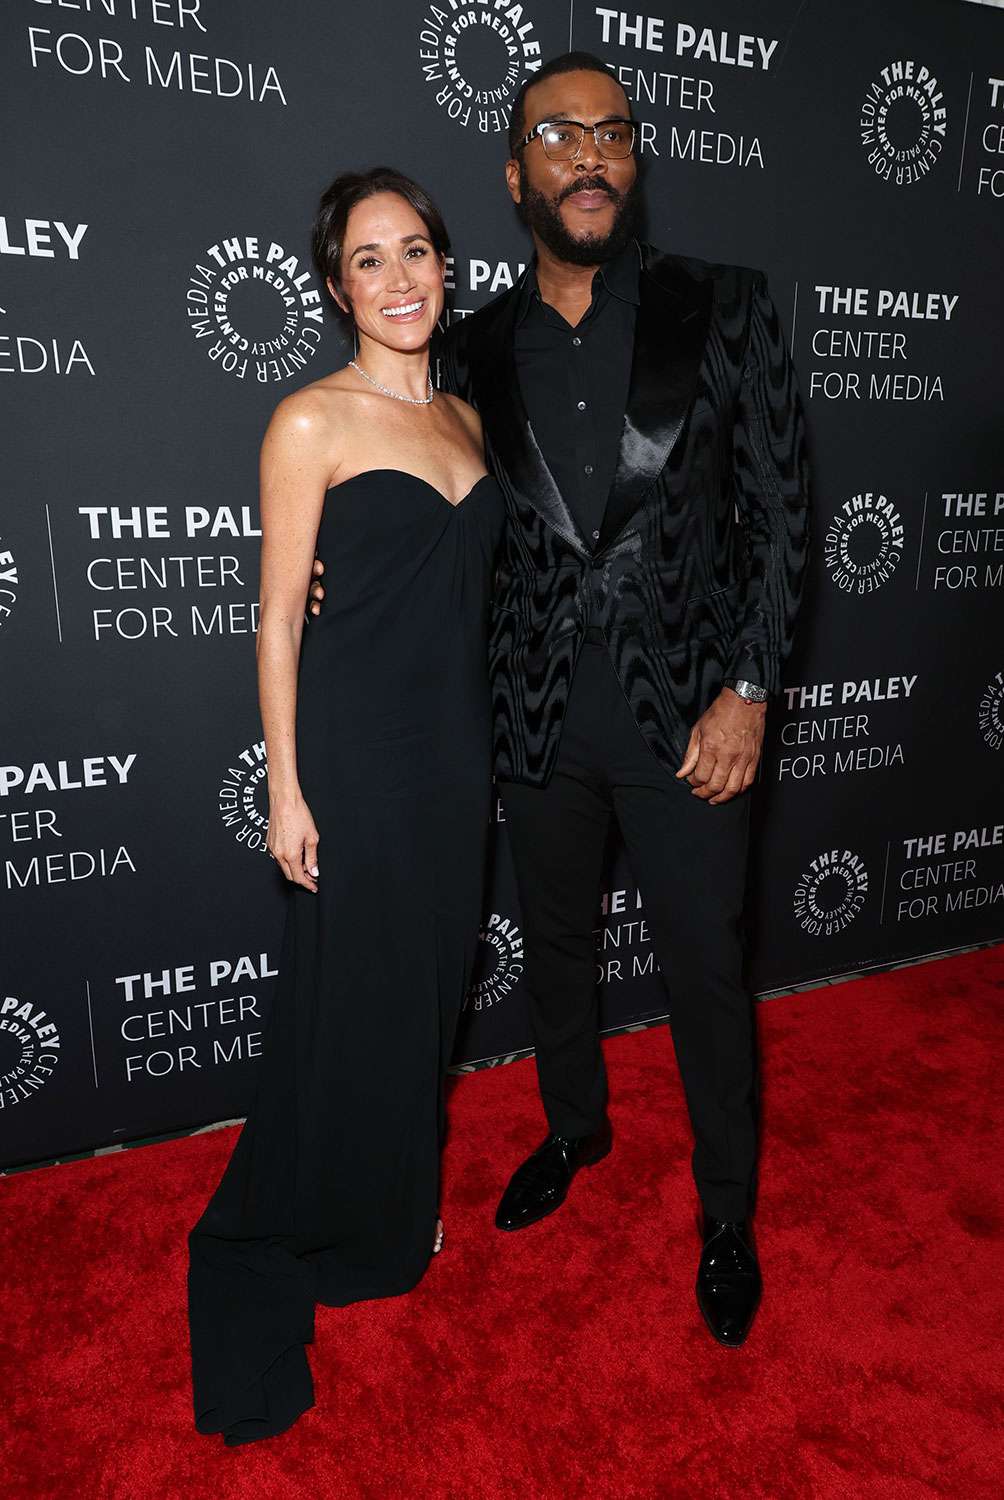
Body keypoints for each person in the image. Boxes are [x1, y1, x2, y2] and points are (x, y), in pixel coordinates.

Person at [312, 54, 810, 1349]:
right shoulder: (470, 345)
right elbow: (412, 488)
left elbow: (781, 514)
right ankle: (574, 1130)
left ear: (633, 162)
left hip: (693, 715)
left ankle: (726, 1217)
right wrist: (329, 569)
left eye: (613, 134)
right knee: (559, 954)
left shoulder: (730, 308)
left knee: (707, 969)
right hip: (528, 717)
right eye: (559, 135)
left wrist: (750, 687)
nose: (590, 155)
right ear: (515, 171)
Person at [187, 168, 503, 1444]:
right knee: (351, 997)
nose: (397, 278)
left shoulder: (473, 425)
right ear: (334, 287)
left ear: (444, 264)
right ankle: (338, 1213)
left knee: (424, 994)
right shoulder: (307, 421)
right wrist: (286, 781)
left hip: (458, 757)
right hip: (356, 758)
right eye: (367, 260)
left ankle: (394, 1196)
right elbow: (274, 614)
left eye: (414, 250)